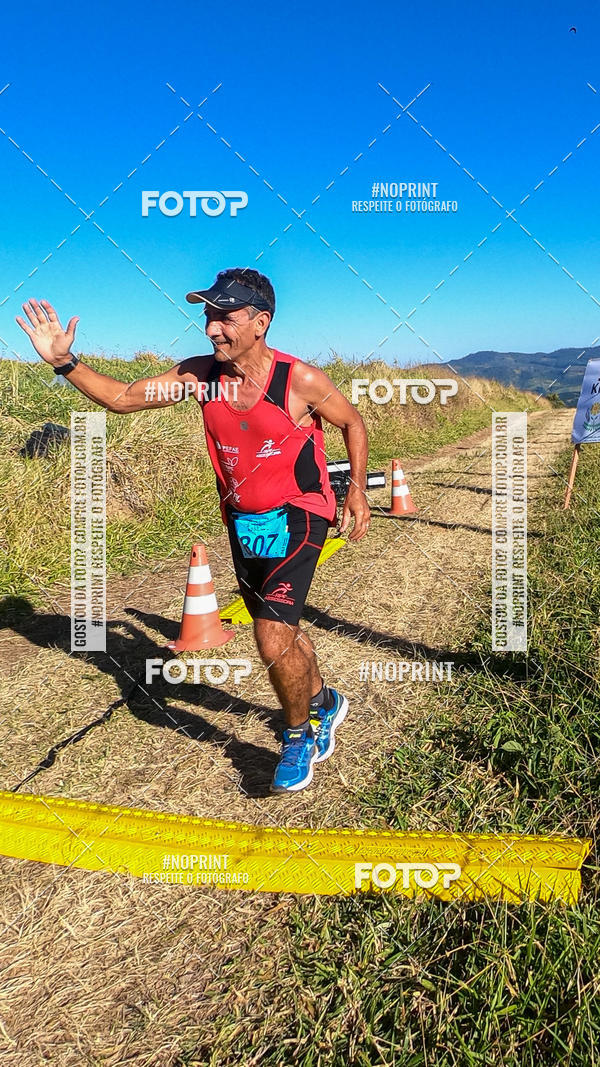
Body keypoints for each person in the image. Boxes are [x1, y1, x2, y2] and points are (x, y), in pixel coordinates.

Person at [16, 268, 370, 794]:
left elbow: (352, 422)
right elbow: (124, 397)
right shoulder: (200, 375)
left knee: (270, 633)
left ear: (261, 322)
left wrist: (357, 489)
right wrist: (64, 362)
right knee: (281, 626)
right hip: (243, 520)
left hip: (300, 512)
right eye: (208, 316)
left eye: (225, 317)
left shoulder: (300, 380)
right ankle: (323, 699)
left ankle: (299, 734)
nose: (211, 329)